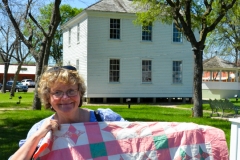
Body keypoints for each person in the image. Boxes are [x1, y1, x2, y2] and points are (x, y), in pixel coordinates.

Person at [9, 65, 125, 160]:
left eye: (71, 91)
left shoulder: (105, 119)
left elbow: (138, 142)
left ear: (80, 93)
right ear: (48, 97)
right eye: (57, 92)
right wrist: (38, 135)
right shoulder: (40, 128)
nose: (65, 97)